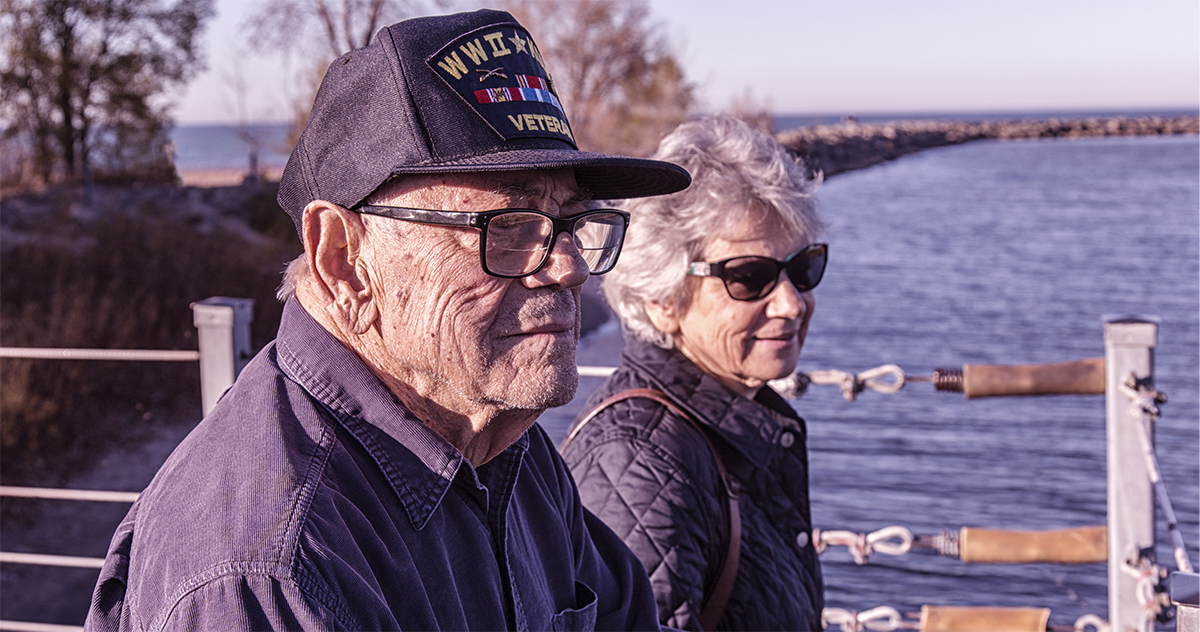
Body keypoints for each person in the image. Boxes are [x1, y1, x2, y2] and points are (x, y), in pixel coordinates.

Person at [84, 9, 690, 631]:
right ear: (343, 260)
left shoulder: (507, 450)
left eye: (570, 224)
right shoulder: (272, 573)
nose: (569, 268)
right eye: (507, 227)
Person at [560, 113, 826, 631]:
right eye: (750, 278)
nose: (792, 304)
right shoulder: (638, 463)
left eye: (803, 267)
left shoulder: (730, 429)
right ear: (661, 299)